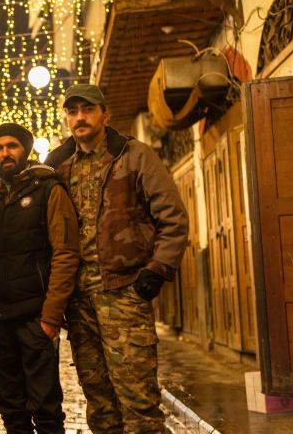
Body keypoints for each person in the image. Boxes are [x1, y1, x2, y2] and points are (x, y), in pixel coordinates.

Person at [45, 84, 188, 433]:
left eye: (88, 109)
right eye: (73, 111)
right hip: (78, 303)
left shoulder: (133, 155)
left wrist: (156, 270)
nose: (80, 117)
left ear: (105, 115)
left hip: (124, 294)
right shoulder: (56, 165)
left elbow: (173, 218)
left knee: (138, 402)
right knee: (100, 403)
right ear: (67, 117)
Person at [0, 123, 80, 434]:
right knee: (10, 410)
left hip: (35, 317)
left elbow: (66, 252)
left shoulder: (48, 189)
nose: (5, 153)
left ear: (25, 151)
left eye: (12, 146)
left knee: (46, 410)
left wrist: (51, 316)